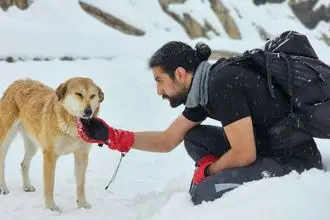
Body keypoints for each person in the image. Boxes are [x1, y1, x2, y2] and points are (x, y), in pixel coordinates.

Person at [77, 41, 324, 205]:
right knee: (194, 138)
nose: (158, 90)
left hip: (294, 159)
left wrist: (209, 171)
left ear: (180, 74)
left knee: (202, 195)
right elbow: (167, 140)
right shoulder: (204, 89)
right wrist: (112, 136)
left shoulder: (222, 84)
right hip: (264, 147)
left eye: (159, 80)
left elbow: (244, 153)